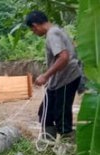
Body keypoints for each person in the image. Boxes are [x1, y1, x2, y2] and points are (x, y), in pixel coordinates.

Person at [25, 10, 82, 138]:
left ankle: (66, 143)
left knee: (61, 116)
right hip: (58, 80)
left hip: (66, 78)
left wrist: (45, 76)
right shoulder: (56, 31)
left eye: (33, 30)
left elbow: (64, 57)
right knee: (45, 112)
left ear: (35, 25)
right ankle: (48, 142)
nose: (35, 33)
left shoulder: (53, 34)